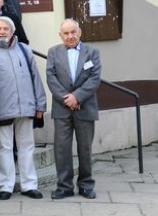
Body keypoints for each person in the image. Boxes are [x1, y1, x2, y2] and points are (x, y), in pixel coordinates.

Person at [0, 17, 46, 200]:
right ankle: (5, 186)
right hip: (1, 109)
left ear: (12, 31)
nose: (2, 31)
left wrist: (40, 104)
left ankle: (29, 185)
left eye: (6, 28)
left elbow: (36, 77)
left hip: (26, 107)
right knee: (4, 147)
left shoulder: (25, 50)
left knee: (27, 146)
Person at [47, 19, 102, 200]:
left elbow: (95, 78)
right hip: (62, 108)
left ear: (79, 32)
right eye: (66, 33)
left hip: (85, 107)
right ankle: (64, 186)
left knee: (85, 147)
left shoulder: (92, 52)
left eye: (73, 32)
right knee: (62, 149)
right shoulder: (53, 52)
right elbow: (51, 77)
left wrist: (77, 97)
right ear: (60, 35)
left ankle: (86, 185)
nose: (70, 36)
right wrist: (67, 99)